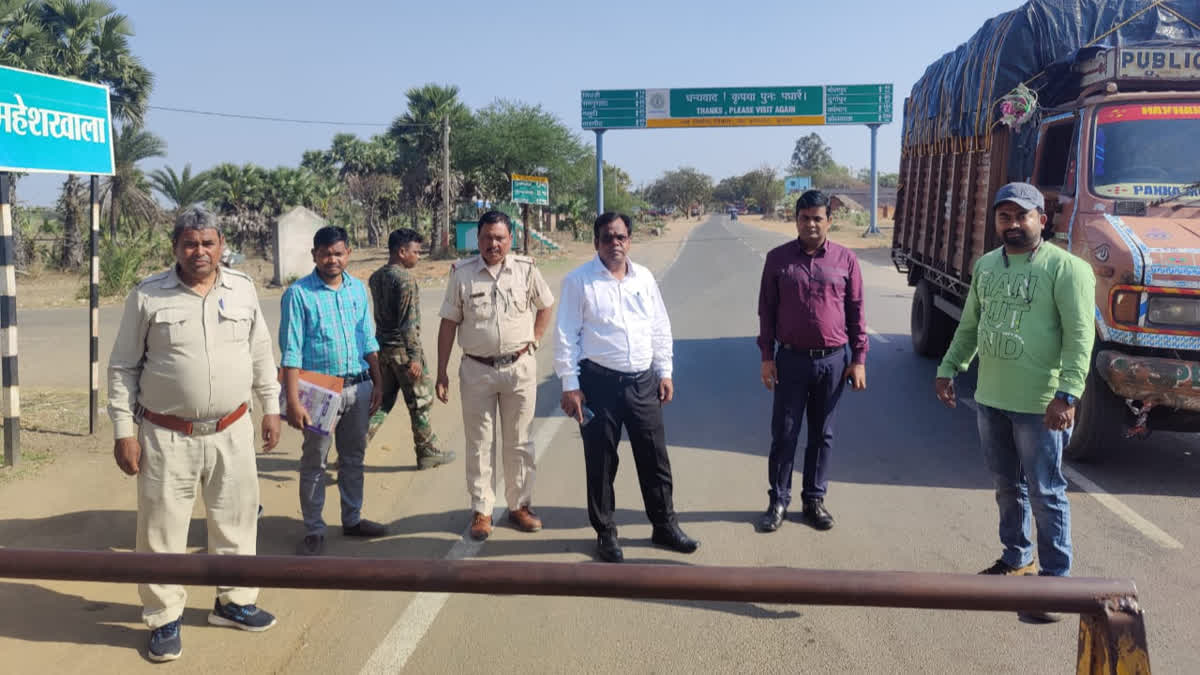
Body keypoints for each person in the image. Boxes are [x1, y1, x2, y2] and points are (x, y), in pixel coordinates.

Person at [108, 206, 282, 662]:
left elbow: (261, 352)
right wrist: (124, 431)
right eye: (190, 243)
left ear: (221, 244)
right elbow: (123, 367)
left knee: (238, 520)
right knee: (162, 529)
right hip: (167, 436)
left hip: (233, 429)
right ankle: (165, 618)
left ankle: (234, 602)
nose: (199, 251)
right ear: (175, 248)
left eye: (208, 242)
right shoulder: (147, 295)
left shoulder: (242, 289)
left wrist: (272, 407)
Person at [934, 182, 1095, 624]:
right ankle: (1015, 557)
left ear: (1041, 220)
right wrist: (949, 368)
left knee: (1046, 491)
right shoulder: (986, 266)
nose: (1012, 224)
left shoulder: (1067, 270)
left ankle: (1055, 581)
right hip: (992, 400)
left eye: (1021, 216)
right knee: (1007, 488)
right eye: (1004, 217)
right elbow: (970, 325)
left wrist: (1067, 395)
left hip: (1041, 405)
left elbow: (1081, 339)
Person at [555, 212, 699, 563]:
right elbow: (565, 335)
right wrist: (570, 385)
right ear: (596, 243)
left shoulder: (644, 278)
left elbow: (659, 327)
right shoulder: (579, 281)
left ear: (629, 241)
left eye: (621, 237)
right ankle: (606, 532)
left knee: (654, 458)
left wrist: (665, 372)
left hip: (642, 383)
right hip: (598, 384)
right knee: (602, 462)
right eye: (607, 238)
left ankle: (664, 525)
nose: (615, 243)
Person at [436, 211, 554, 540]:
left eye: (500, 238)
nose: (493, 244)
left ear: (510, 239)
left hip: (519, 368)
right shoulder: (462, 274)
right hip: (477, 369)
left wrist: (535, 338)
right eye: (487, 237)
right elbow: (448, 323)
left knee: (520, 442)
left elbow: (545, 305)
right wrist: (442, 370)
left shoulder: (527, 269)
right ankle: (482, 510)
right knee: (479, 444)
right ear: (479, 239)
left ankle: (519, 506)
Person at [756, 189, 867, 534]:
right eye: (805, 218)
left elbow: (856, 311)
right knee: (785, 433)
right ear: (796, 220)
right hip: (790, 360)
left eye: (818, 218)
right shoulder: (778, 259)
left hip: (833, 362)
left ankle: (813, 500)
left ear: (829, 221)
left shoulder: (846, 260)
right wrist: (766, 357)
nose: (811, 224)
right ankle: (778, 500)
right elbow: (767, 310)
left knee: (823, 435)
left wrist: (859, 358)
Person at [280, 225, 387, 557]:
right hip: (319, 391)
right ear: (314, 255)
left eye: (338, 253)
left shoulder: (356, 289)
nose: (332, 259)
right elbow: (291, 351)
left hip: (359, 384)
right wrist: (294, 399)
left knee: (354, 458)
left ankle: (352, 519)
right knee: (315, 460)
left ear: (348, 253)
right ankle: (314, 529)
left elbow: (368, 339)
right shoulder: (298, 294)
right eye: (325, 253)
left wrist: (378, 380)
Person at [366, 228, 455, 469]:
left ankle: (353, 448)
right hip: (403, 351)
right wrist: (415, 357)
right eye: (415, 252)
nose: (418, 256)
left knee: (382, 402)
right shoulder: (405, 280)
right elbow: (408, 323)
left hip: (383, 349)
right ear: (401, 252)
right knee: (420, 401)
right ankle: (427, 451)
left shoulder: (376, 277)